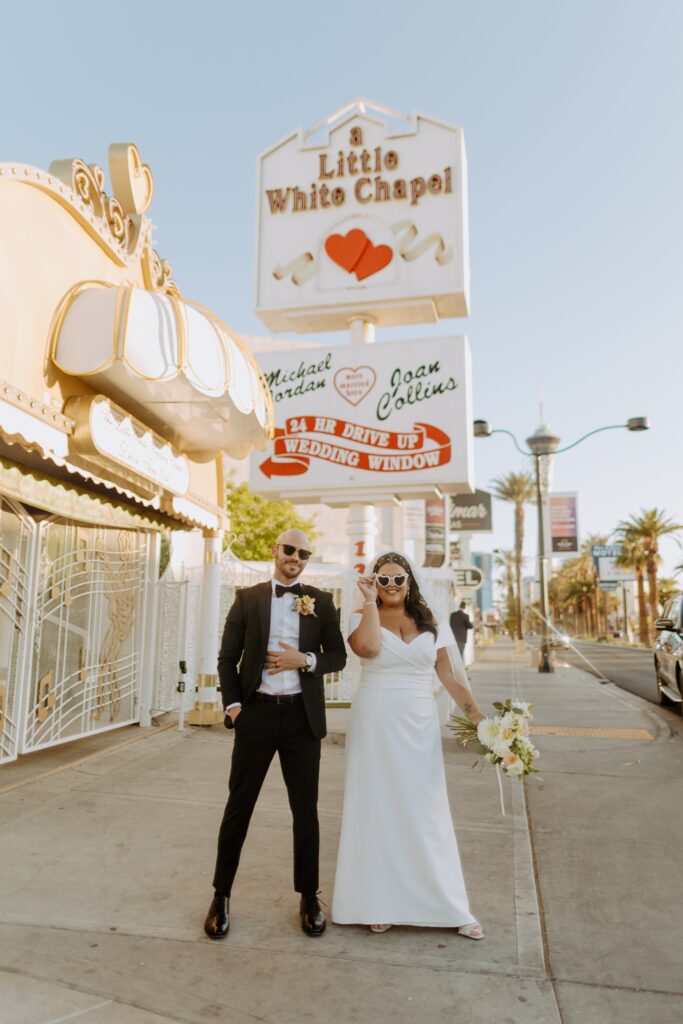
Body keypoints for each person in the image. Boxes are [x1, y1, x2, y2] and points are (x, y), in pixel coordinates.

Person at [332, 552, 485, 937]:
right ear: (374, 583)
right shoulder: (359, 616)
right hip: (375, 722)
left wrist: (479, 718)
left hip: (419, 724)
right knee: (377, 808)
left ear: (410, 581)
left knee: (426, 810)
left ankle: (450, 907)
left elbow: (449, 676)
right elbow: (366, 649)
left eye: (398, 579)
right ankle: (376, 901)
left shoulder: (432, 622)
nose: (391, 586)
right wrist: (368, 602)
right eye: (383, 580)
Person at [204, 529, 347, 940]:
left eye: (304, 553)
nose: (296, 557)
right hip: (257, 717)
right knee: (238, 809)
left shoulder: (320, 602)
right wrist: (234, 708)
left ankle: (308, 897)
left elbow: (337, 656)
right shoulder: (247, 599)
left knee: (306, 814)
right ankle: (220, 895)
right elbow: (228, 658)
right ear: (275, 551)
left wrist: (303, 659)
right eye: (290, 549)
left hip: (302, 722)